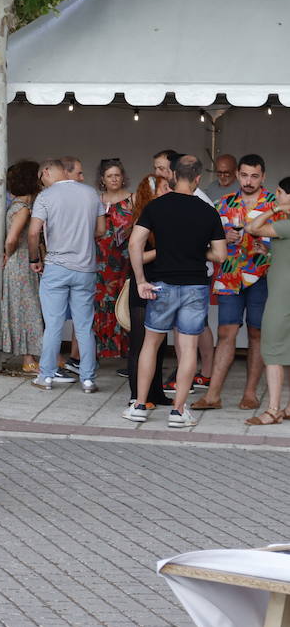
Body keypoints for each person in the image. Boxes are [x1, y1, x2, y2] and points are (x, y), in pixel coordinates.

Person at [127, 155, 227, 429]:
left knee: (150, 344)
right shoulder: (208, 211)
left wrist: (139, 281)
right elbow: (219, 254)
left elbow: (135, 244)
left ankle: (139, 405)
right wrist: (198, 252)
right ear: (197, 179)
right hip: (194, 286)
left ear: (173, 176)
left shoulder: (156, 207)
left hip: (162, 284)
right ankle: (178, 410)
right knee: (188, 348)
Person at [198, 154, 274, 412]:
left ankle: (250, 393)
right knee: (225, 333)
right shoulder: (224, 203)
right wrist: (223, 237)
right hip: (230, 276)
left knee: (257, 334)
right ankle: (212, 395)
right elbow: (206, 241)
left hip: (263, 278)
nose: (249, 181)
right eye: (244, 175)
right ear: (238, 175)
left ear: (263, 176)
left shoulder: (275, 204)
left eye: (254, 176)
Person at [27, 158, 106, 391]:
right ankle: (88, 378)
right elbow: (101, 230)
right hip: (86, 268)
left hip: (56, 267)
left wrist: (34, 259)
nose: (41, 182)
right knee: (84, 326)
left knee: (53, 325)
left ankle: (47, 376)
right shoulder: (92, 193)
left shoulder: (46, 197)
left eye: (42, 177)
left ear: (48, 171)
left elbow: (33, 233)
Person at [123, 175, 174, 417]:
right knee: (140, 343)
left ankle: (156, 392)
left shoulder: (164, 218)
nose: (169, 191)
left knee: (160, 343)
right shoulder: (142, 221)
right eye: (165, 188)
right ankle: (136, 395)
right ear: (151, 194)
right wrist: (163, 249)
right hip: (142, 284)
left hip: (161, 284)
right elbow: (138, 257)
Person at [243, 179, 290, 426]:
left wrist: (275, 209)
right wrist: (270, 253)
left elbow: (252, 227)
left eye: (279, 193)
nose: (276, 196)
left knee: (271, 350)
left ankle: (272, 410)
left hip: (283, 297)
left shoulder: (285, 223)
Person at [1, 160, 44, 373]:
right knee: (30, 309)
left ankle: (32, 356)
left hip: (18, 262)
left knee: (25, 308)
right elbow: (11, 239)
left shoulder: (15, 205)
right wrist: (9, 255)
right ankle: (29, 359)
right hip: (20, 262)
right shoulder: (24, 209)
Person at [92, 158, 133, 360]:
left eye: (117, 175)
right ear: (102, 179)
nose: (114, 179)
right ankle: (103, 350)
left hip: (125, 260)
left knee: (125, 303)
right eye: (110, 176)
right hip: (101, 260)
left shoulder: (132, 200)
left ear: (123, 176)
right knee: (101, 303)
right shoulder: (96, 200)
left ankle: (127, 353)